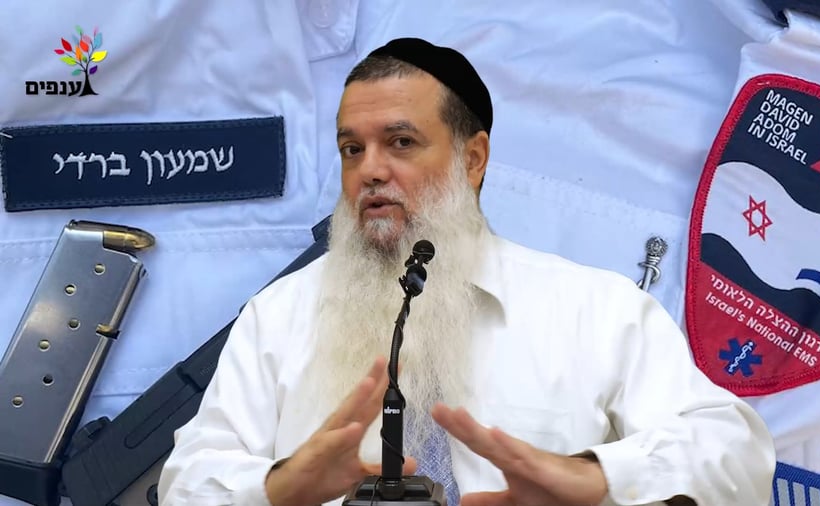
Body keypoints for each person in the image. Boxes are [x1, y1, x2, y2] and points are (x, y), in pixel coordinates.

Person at [158, 37, 776, 506]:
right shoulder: (278, 316)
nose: (370, 170)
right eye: (352, 149)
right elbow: (186, 481)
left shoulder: (595, 310)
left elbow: (735, 452)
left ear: (472, 158)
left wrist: (593, 477)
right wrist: (277, 488)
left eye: (400, 142)